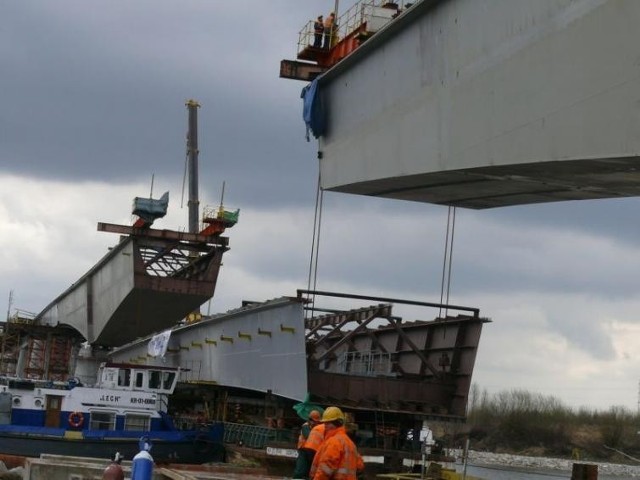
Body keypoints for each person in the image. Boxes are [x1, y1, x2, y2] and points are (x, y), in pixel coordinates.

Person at [310, 406, 364, 480]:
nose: (325, 426)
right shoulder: (350, 443)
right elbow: (360, 465)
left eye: (328, 423)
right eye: (325, 423)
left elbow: (326, 468)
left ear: (336, 423)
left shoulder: (334, 442)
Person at [292, 410, 322, 479]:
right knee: (301, 469)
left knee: (308, 469)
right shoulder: (305, 426)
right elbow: (308, 436)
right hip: (303, 449)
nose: (316, 422)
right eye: (314, 421)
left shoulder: (315, 427)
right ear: (310, 420)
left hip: (311, 450)